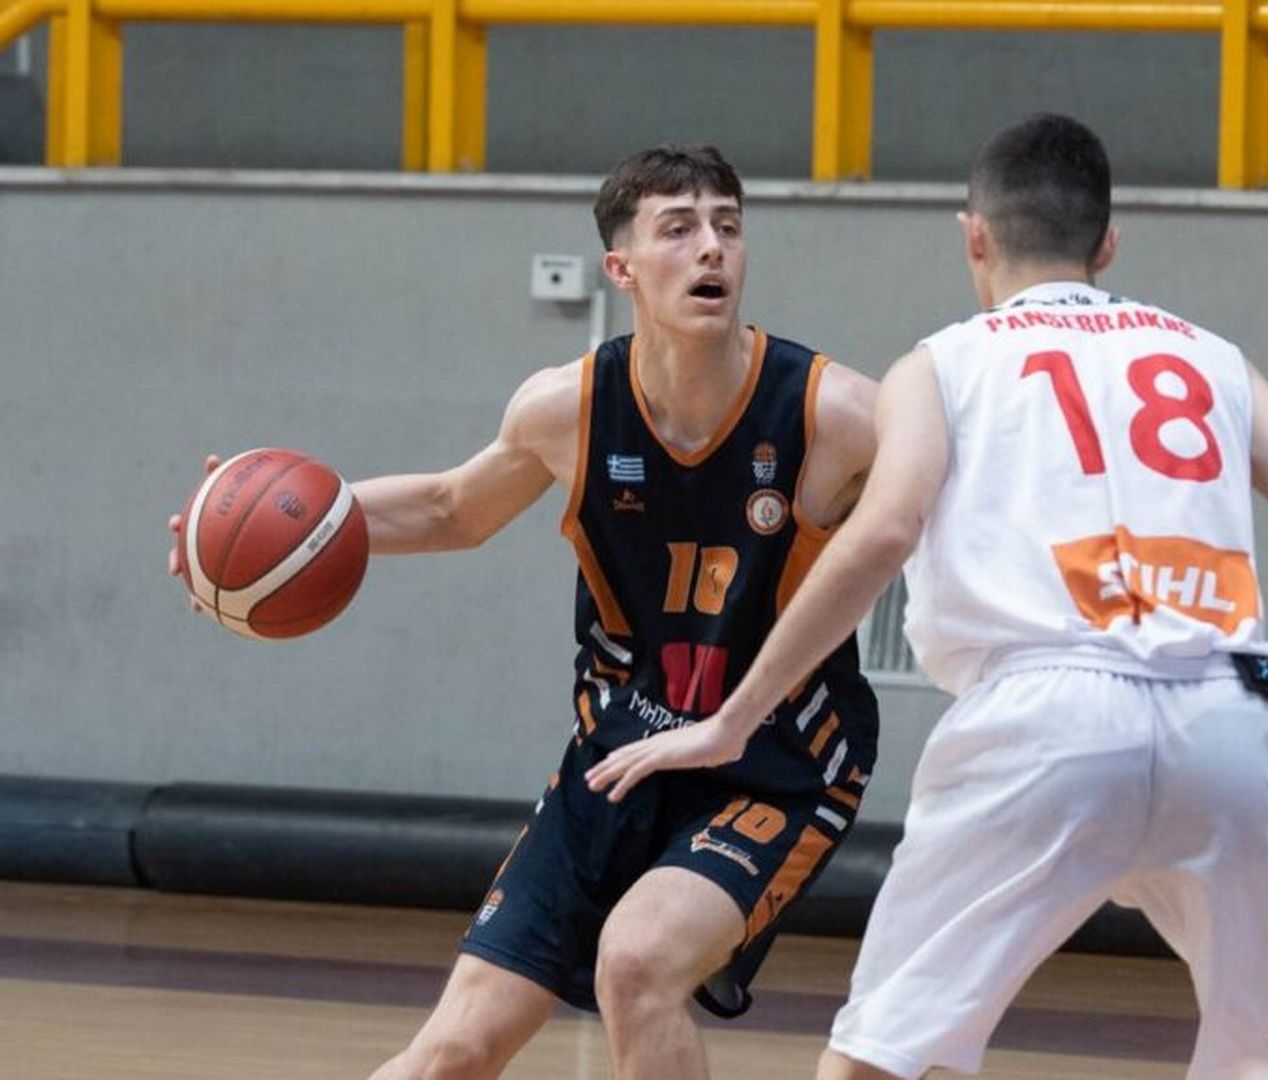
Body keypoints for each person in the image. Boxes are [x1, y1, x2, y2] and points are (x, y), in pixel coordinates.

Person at [583, 113, 1268, 1079]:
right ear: (1108, 242)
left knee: (877, 1059)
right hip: (1233, 719)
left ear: (974, 236)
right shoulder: (1211, 357)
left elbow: (882, 534)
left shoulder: (942, 364)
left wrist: (733, 719)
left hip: (1044, 718)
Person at [168, 145, 881, 1080]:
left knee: (636, 966)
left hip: (773, 765)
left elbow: (955, 500)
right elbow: (450, 509)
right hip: (615, 757)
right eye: (678, 229)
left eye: (728, 227)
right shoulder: (567, 408)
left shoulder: (835, 414)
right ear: (621, 268)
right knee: (453, 1051)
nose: (712, 248)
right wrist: (274, 535)